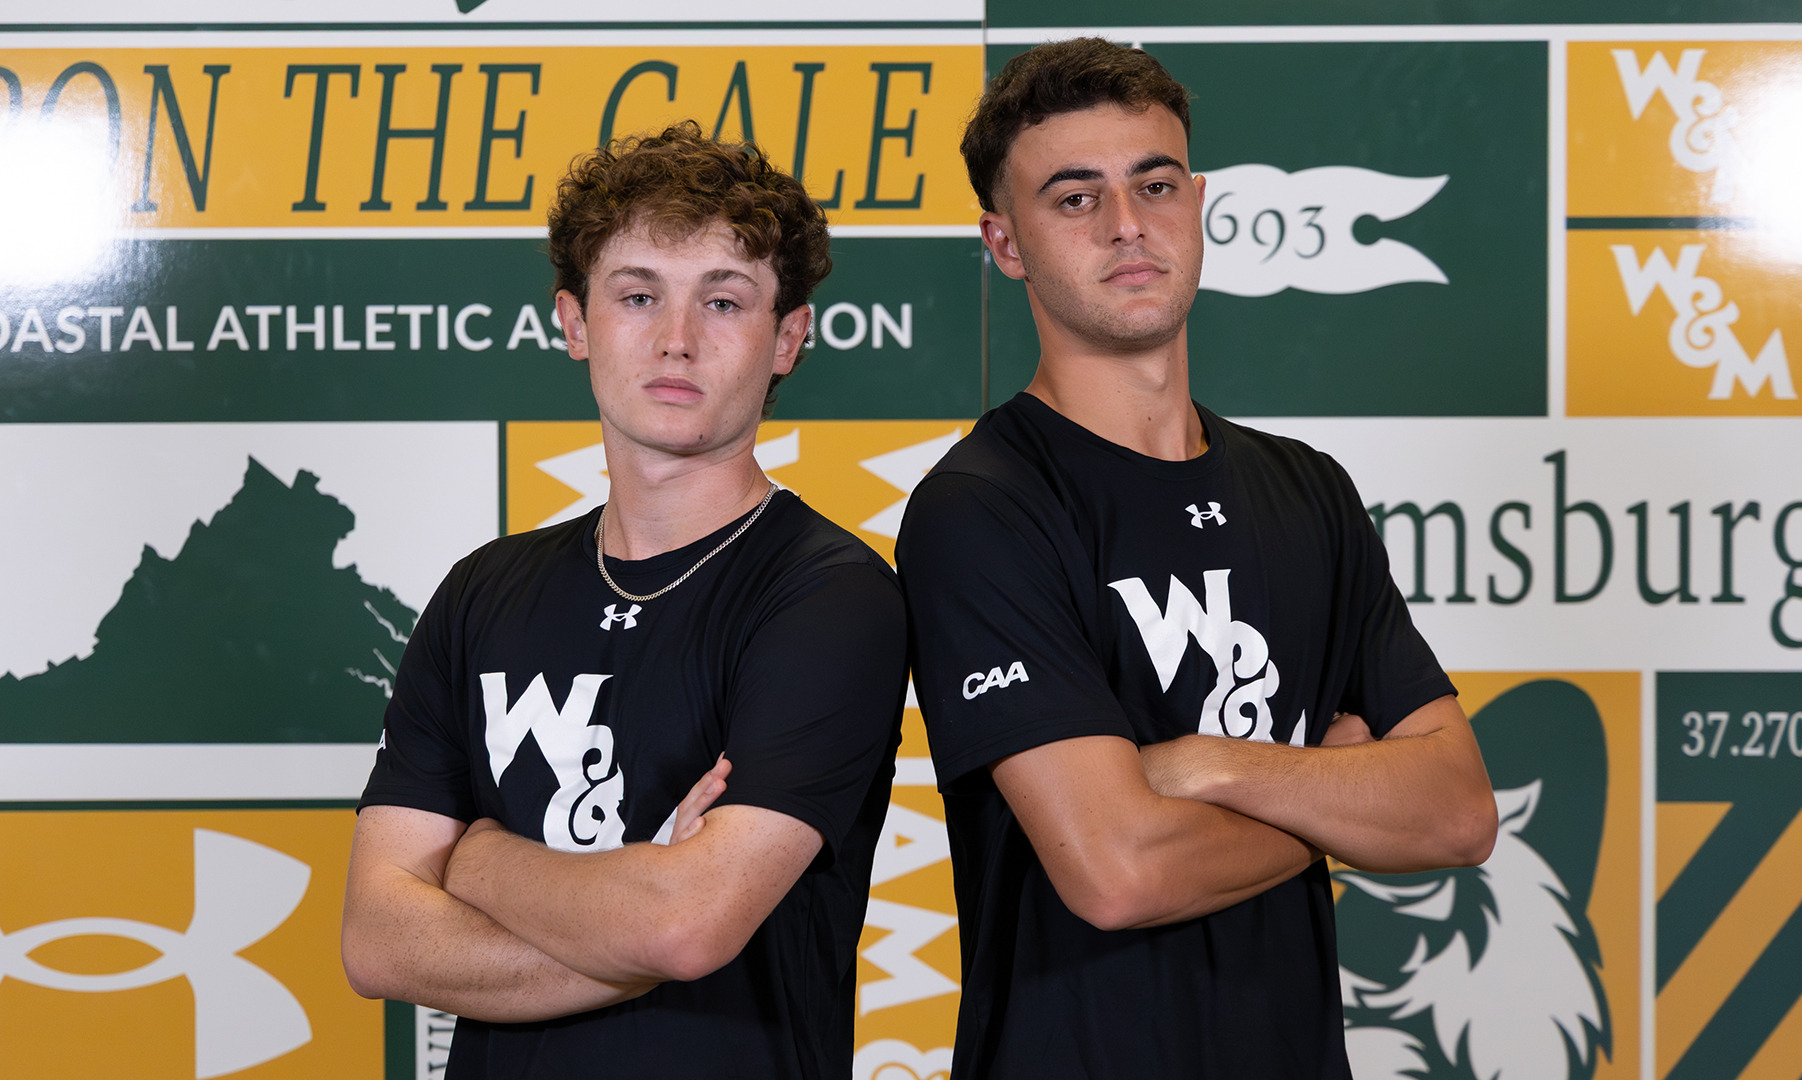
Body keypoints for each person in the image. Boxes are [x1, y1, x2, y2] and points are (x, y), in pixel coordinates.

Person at [896, 38, 1498, 1079]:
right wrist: (1341, 796)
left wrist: (1213, 766)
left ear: (1199, 202)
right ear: (1005, 243)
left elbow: (1458, 811)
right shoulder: (982, 508)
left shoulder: (1308, 489)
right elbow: (1119, 872)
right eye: (1074, 198)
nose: (1127, 224)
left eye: (1156, 184)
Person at [342, 122, 906, 1080]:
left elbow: (686, 928)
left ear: (788, 339)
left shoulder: (831, 596)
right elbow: (378, 941)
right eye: (638, 295)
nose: (677, 340)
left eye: (723, 301)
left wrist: (479, 860)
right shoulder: (482, 593)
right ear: (574, 323)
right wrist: (637, 911)